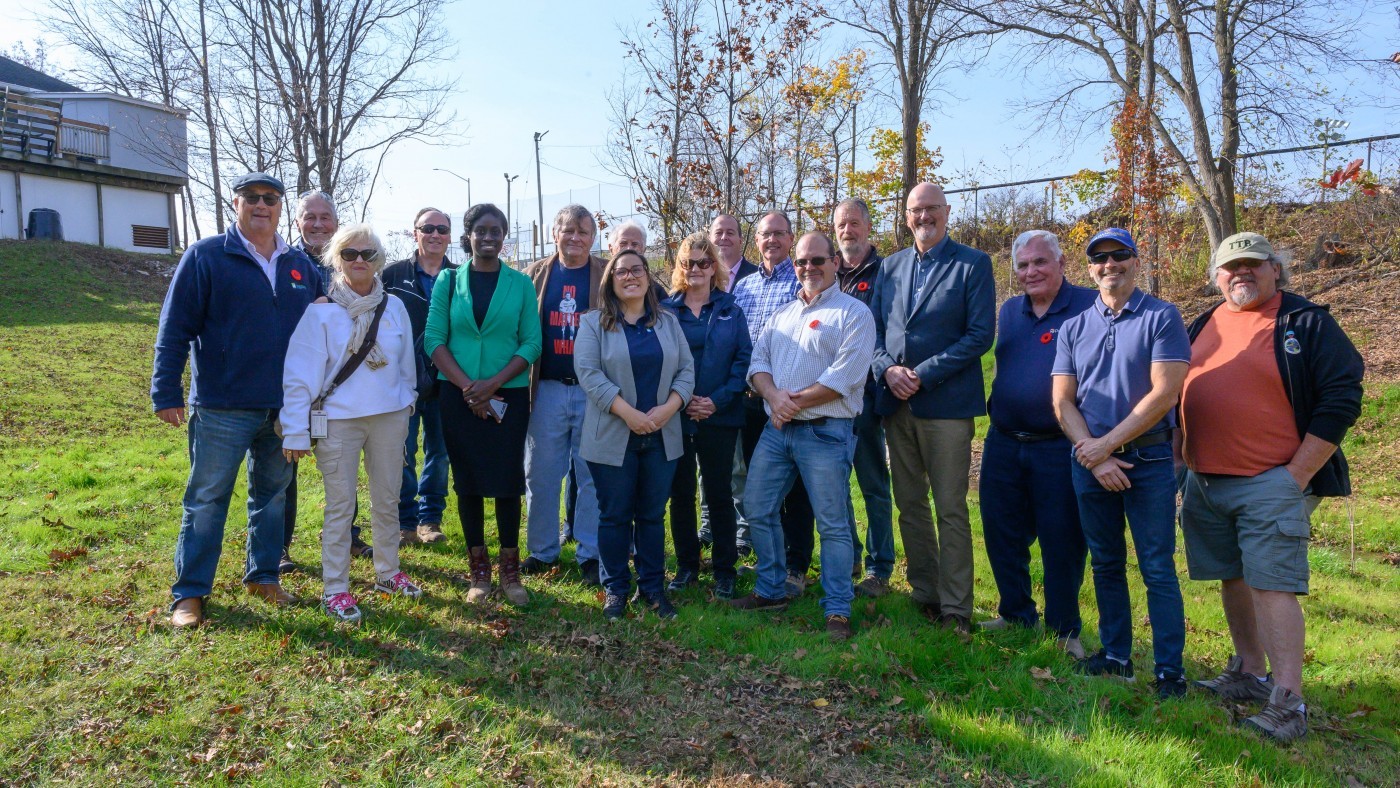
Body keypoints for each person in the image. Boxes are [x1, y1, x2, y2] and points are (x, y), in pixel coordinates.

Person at [1179, 232, 1363, 740]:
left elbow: (1342, 396)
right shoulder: (1204, 324)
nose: (1241, 273)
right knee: (1232, 576)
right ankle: (1248, 672)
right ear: (1216, 276)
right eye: (1229, 267)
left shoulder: (1307, 322)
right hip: (1206, 480)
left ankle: (1289, 701)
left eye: (1252, 264)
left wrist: (1297, 475)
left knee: (1271, 584)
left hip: (1272, 481)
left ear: (1274, 269)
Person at [152, 172, 324, 628]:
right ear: (236, 203)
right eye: (252, 198)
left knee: (271, 496)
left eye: (270, 198)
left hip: (284, 408)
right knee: (207, 498)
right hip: (222, 405)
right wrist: (165, 389)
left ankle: (264, 576)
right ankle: (190, 593)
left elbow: (320, 331)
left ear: (281, 207)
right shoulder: (207, 256)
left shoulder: (299, 265)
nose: (261, 205)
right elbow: (175, 328)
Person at [1051, 227, 1191, 699]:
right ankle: (1116, 657)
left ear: (1135, 261)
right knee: (1106, 563)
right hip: (1089, 460)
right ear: (1088, 268)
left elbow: (1164, 392)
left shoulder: (1161, 317)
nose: (1109, 265)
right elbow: (1063, 402)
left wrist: (1106, 445)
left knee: (1156, 565)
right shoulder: (1073, 327)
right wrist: (1093, 455)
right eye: (1100, 258)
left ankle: (1170, 673)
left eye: (1119, 256)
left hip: (1148, 459)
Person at [730, 232, 875, 642]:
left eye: (817, 260)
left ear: (834, 263)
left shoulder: (853, 314)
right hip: (778, 433)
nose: (808, 268)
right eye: (801, 262)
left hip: (825, 433)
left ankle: (837, 610)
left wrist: (790, 403)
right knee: (757, 507)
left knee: (832, 525)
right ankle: (772, 589)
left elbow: (845, 377)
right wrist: (774, 397)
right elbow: (757, 364)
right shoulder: (783, 315)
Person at [280, 224, 423, 624]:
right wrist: (294, 429)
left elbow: (407, 365)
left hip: (389, 419)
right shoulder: (321, 312)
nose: (359, 261)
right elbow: (299, 375)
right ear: (335, 259)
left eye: (368, 254)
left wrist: (406, 403)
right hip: (338, 421)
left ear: (378, 260)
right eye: (349, 254)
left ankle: (388, 572)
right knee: (341, 506)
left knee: (387, 499)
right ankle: (335, 589)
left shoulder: (392, 307)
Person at [871, 182, 996, 633]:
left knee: (950, 507)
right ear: (906, 217)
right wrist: (888, 370)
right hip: (895, 403)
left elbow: (979, 335)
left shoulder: (973, 264)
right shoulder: (891, 266)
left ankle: (957, 608)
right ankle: (925, 592)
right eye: (915, 210)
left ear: (946, 212)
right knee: (909, 504)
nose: (923, 217)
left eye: (931, 209)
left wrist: (922, 373)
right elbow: (876, 330)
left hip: (944, 404)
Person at [979, 230, 1097, 658]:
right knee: (1000, 530)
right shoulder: (1010, 311)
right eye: (1024, 265)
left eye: (1040, 262)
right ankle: (1015, 613)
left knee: (1062, 538)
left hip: (1059, 445)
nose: (1032, 272)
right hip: (1005, 442)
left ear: (1062, 263)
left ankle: (1065, 629)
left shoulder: (1087, 306)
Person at [425, 204, 541, 606]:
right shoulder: (448, 280)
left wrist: (492, 384)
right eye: (481, 231)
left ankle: (510, 571)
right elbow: (434, 339)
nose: (489, 237)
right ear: (469, 235)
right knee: (469, 482)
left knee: (509, 482)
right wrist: (469, 389)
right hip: (457, 396)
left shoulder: (521, 284)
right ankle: (479, 571)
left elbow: (531, 342)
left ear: (503, 237)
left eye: (496, 231)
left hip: (507, 394)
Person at [575, 250, 695, 621]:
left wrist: (668, 409)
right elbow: (589, 375)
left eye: (637, 270)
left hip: (662, 434)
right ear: (611, 280)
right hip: (612, 435)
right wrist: (629, 415)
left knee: (651, 516)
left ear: (647, 277)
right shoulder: (594, 324)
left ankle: (653, 589)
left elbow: (687, 371)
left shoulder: (668, 323)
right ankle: (616, 590)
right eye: (621, 272)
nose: (630, 277)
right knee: (614, 516)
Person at [282, 190, 371, 572]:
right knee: (282, 467)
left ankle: (346, 534)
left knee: (343, 464)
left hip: (342, 386)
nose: (317, 224)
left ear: (335, 222)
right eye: (309, 217)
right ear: (297, 221)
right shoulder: (284, 262)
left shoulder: (351, 261)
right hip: (295, 379)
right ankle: (277, 547)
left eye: (325, 217)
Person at [661, 232, 751, 599]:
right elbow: (659, 360)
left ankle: (725, 569)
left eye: (702, 262)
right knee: (679, 494)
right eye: (688, 263)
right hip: (676, 416)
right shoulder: (667, 311)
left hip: (720, 414)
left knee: (719, 493)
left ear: (714, 266)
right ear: (680, 268)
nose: (695, 269)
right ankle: (686, 566)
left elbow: (743, 360)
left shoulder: (731, 308)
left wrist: (716, 401)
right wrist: (681, 402)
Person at [522, 205, 607, 584]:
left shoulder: (606, 274)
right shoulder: (534, 276)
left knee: (591, 475)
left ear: (593, 238)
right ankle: (542, 552)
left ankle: (590, 553)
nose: (575, 237)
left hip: (594, 393)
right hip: (547, 391)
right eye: (568, 230)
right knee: (540, 475)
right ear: (554, 234)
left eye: (583, 232)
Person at [731, 211, 815, 597]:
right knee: (761, 485)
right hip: (752, 401)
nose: (772, 241)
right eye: (766, 235)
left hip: (791, 401)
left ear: (790, 238)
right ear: (757, 240)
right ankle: (772, 560)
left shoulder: (800, 281)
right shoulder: (743, 287)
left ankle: (797, 565)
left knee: (795, 488)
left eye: (780, 234)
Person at [382, 208, 456, 546]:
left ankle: (430, 519)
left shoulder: (460, 277)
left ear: (450, 236)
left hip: (447, 380)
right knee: (403, 450)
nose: (435, 234)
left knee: (439, 453)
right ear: (415, 233)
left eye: (442, 229)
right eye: (428, 228)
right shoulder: (392, 276)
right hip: (401, 381)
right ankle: (405, 521)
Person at [833, 198, 894, 596]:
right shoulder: (824, 270)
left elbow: (888, 330)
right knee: (835, 483)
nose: (847, 231)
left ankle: (879, 566)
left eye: (855, 223)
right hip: (828, 399)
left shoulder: (887, 272)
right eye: (841, 225)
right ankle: (849, 554)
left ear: (868, 228)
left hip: (868, 398)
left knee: (873, 482)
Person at [702, 213, 759, 554]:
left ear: (741, 239)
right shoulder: (699, 278)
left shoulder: (753, 279)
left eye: (731, 233)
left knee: (738, 466)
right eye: (717, 232)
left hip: (740, 387)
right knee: (704, 467)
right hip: (704, 391)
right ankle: (708, 525)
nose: (724, 238)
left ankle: (743, 531)